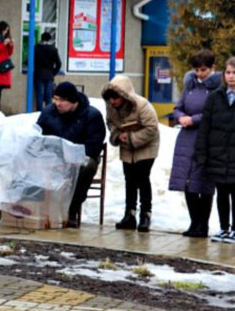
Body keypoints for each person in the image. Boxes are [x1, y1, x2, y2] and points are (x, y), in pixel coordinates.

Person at [36, 82, 106, 227]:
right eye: (56, 99)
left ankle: (72, 209)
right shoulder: (49, 112)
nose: (58, 104)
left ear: (74, 101)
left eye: (62, 100)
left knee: (88, 164)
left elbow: (93, 148)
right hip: (54, 158)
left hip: (80, 159)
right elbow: (38, 135)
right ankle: (33, 209)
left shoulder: (92, 115)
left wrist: (71, 159)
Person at [168, 50, 220, 238]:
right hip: (186, 138)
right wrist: (181, 117)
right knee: (188, 182)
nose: (199, 74)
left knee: (203, 182)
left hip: (206, 137)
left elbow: (215, 112)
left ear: (212, 68)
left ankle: (203, 225)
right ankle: (194, 223)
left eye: (203, 70)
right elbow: (177, 107)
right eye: (197, 70)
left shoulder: (217, 88)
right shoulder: (189, 85)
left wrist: (194, 119)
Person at [102, 75, 160, 232]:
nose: (113, 101)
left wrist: (129, 137)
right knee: (130, 179)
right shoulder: (111, 107)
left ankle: (145, 215)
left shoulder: (142, 105)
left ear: (124, 95)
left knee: (142, 178)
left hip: (146, 146)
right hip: (127, 146)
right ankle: (130, 215)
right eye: (110, 98)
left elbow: (151, 128)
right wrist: (116, 135)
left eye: (115, 97)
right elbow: (111, 123)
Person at [194, 56, 235, 244]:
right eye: (228, 72)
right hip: (217, 154)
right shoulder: (215, 96)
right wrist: (201, 153)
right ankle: (224, 228)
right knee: (221, 193)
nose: (231, 77)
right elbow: (205, 127)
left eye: (234, 73)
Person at [33, 32, 62, 112]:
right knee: (48, 96)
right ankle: (48, 114)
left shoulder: (36, 48)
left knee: (40, 96)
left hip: (39, 75)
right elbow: (59, 64)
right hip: (49, 76)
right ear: (50, 39)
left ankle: (38, 113)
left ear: (41, 38)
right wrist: (53, 73)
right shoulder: (53, 49)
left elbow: (30, 61)